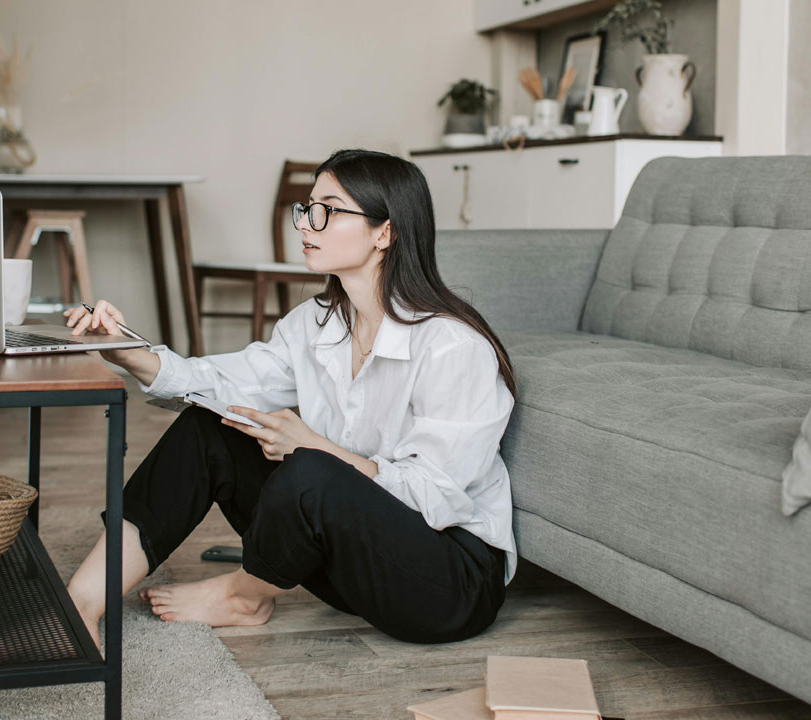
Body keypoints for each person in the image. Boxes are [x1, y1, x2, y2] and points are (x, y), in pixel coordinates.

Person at [61, 148, 517, 651]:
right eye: (307, 208)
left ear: (383, 233)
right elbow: (217, 382)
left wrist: (316, 449)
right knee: (211, 425)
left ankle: (245, 595)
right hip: (359, 564)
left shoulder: (453, 348)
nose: (306, 224)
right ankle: (82, 601)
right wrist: (125, 349)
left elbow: (436, 497)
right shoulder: (316, 323)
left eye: (329, 210)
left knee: (311, 470)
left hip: (448, 581)